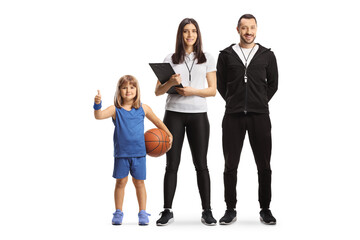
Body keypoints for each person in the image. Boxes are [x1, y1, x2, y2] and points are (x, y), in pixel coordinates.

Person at [216, 14, 278, 225]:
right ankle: (230, 208)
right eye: (244, 28)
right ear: (238, 29)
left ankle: (265, 208)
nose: (248, 32)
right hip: (233, 117)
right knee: (230, 164)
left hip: (259, 116)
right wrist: (234, 102)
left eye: (252, 27)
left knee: (264, 165)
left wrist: (258, 101)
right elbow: (220, 85)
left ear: (256, 29)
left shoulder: (267, 55)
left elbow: (273, 85)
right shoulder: (226, 54)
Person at [154, 18, 217, 226]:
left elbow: (212, 90)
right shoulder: (169, 58)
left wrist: (193, 91)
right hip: (173, 114)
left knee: (201, 164)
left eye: (193, 31)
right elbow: (157, 91)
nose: (190, 35)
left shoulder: (207, 58)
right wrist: (171, 82)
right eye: (186, 31)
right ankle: (167, 210)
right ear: (180, 35)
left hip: (198, 114)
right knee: (171, 164)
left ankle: (207, 211)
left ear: (198, 34)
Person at [94, 75, 173, 226]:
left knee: (139, 183)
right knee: (120, 183)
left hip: (139, 154)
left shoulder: (143, 108)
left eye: (131, 87)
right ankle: (118, 212)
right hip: (121, 154)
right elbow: (98, 116)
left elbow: (157, 121)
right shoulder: (115, 109)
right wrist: (97, 104)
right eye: (124, 87)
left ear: (137, 90)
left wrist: (169, 134)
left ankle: (142, 212)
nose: (128, 90)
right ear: (119, 91)